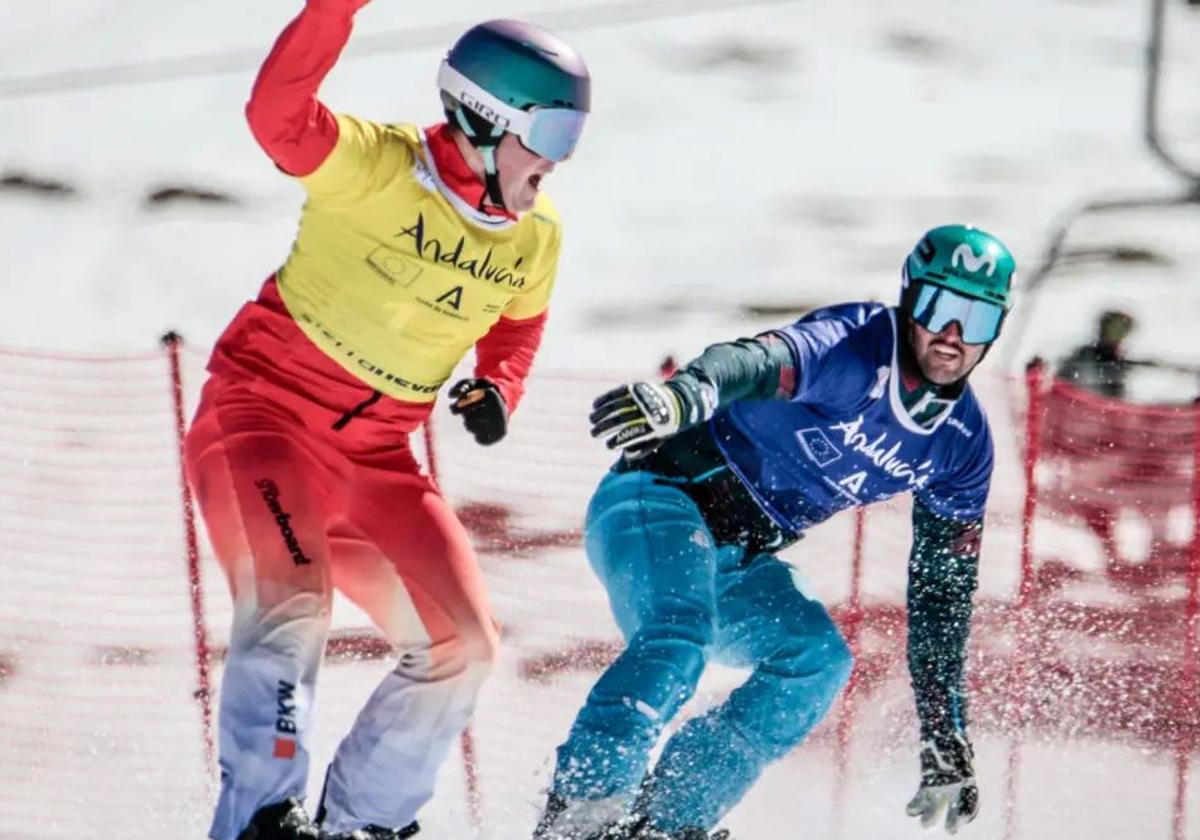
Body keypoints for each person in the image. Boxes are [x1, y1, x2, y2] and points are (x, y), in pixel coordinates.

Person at [183, 2, 589, 838]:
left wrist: (498, 387)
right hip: (264, 417)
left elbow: (518, 324)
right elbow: (276, 117)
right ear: (487, 118)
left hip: (375, 457)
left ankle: (362, 823)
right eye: (550, 134)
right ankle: (261, 817)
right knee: (291, 602)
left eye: (574, 136)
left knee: (464, 646)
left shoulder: (535, 235)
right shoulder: (380, 166)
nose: (559, 161)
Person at [534, 225, 1015, 840]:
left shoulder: (961, 446)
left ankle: (665, 824)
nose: (953, 334)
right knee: (681, 635)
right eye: (939, 308)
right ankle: (581, 812)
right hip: (658, 498)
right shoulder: (858, 346)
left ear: (995, 328)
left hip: (740, 557)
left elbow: (942, 595)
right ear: (909, 299)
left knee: (817, 659)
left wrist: (944, 729)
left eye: (975, 318)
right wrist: (686, 394)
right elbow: (759, 361)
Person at [1055, 309, 1135, 399]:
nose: (1118, 333)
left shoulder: (1120, 362)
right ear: (1103, 329)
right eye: (1115, 328)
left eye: (1122, 330)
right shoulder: (1085, 355)